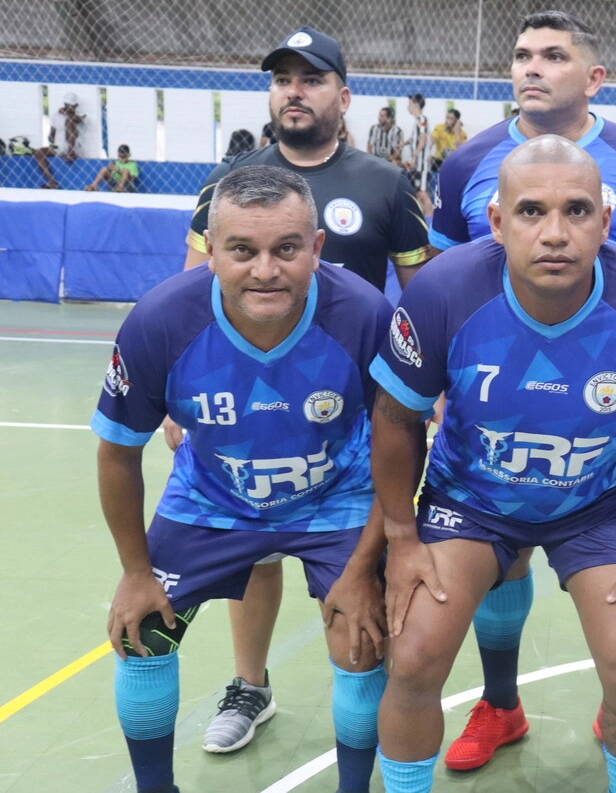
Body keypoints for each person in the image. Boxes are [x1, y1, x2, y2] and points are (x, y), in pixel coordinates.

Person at [369, 135, 616, 793]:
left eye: (578, 211)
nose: (556, 232)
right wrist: (400, 534)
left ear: (606, 221)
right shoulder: (446, 288)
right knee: (412, 657)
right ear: (498, 222)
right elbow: (394, 419)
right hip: (470, 501)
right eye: (531, 211)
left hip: (599, 505)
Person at [428, 9, 616, 772]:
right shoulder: (469, 162)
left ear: (594, 77)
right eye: (521, 55)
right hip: (493, 414)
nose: (531, 68)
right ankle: (502, 703)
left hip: (603, 418)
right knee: (498, 561)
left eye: (553, 55)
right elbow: (447, 284)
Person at [92, 165, 393, 793]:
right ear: (210, 252)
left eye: (286, 248)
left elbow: (401, 444)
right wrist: (136, 572)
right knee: (142, 635)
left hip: (335, 497)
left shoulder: (364, 315)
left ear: (317, 248)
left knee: (362, 643)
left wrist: (365, 568)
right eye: (242, 250)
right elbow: (117, 453)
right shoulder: (161, 321)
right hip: (211, 495)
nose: (265, 270)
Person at [179, 25, 430, 757]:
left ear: (342, 96)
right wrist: (176, 395)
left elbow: (422, 297)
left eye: (312, 78)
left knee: (355, 565)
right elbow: (192, 291)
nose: (295, 90)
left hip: (352, 423)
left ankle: (361, 696)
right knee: (252, 551)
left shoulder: (383, 185)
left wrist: (431, 396)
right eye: (283, 78)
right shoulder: (230, 183)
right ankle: (249, 685)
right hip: (241, 411)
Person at [35, 91, 85, 189]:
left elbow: (77, 119)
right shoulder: (55, 115)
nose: (68, 107)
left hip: (74, 147)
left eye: (71, 105)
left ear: (76, 106)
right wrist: (51, 139)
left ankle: (70, 152)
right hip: (59, 147)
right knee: (38, 152)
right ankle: (52, 181)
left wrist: (65, 113)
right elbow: (51, 135)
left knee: (68, 121)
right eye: (66, 105)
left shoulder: (80, 115)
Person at [427, 107, 466, 194]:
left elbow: (463, 150)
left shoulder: (462, 134)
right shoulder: (440, 128)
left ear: (456, 121)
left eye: (451, 119)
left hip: (453, 164)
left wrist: (456, 132)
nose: (447, 121)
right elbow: (433, 139)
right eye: (447, 117)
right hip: (439, 162)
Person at [406, 93, 432, 213]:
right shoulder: (417, 120)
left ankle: (430, 219)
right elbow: (415, 138)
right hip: (418, 163)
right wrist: (404, 143)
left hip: (421, 164)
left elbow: (422, 139)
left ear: (416, 105)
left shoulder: (422, 119)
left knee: (421, 193)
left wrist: (414, 156)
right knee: (419, 191)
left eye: (410, 103)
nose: (408, 106)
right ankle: (424, 216)